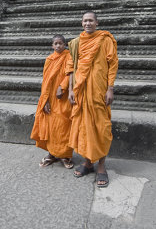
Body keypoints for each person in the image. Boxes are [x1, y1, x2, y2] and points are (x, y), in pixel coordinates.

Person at [66, 11, 118, 187]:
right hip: (81, 90)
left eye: (91, 20)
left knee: (101, 128)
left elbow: (112, 64)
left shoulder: (105, 40)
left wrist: (110, 89)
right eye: (85, 21)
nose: (87, 23)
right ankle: (88, 162)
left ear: (97, 22)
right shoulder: (76, 43)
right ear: (81, 23)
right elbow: (72, 67)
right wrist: (71, 90)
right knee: (84, 126)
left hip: (99, 90)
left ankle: (101, 166)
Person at [31, 34, 74, 169]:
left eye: (60, 43)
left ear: (65, 45)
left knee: (64, 125)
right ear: (52, 46)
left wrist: (62, 87)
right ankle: (52, 154)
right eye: (55, 43)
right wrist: (46, 100)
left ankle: (65, 155)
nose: (58, 46)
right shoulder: (49, 59)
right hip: (50, 98)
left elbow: (70, 73)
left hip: (64, 97)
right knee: (51, 126)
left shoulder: (69, 56)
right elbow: (46, 81)